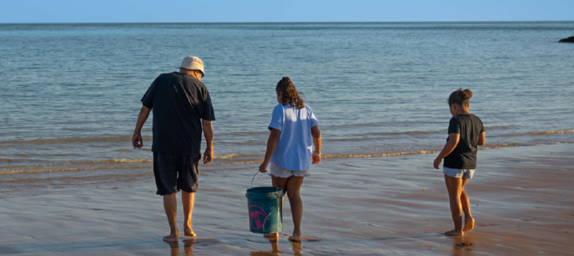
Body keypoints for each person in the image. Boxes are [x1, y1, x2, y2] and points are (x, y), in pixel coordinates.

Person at [132, 56, 215, 242]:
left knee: (168, 189)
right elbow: (207, 123)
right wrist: (210, 147)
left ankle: (173, 232)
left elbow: (145, 108)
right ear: (195, 71)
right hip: (190, 147)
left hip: (164, 145)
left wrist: (137, 131)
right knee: (189, 187)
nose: (200, 78)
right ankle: (188, 225)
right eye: (201, 74)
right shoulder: (201, 88)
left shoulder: (161, 79)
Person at [259, 77, 322, 243]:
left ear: (280, 93)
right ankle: (297, 232)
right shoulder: (307, 109)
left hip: (282, 159)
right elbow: (316, 133)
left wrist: (265, 161)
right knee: (295, 194)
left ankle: (273, 231)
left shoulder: (280, 109)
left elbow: (274, 136)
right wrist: (318, 152)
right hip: (301, 160)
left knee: (277, 195)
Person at [433, 88, 485, 237]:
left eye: (450, 108)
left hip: (454, 163)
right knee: (460, 191)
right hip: (470, 163)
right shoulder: (477, 120)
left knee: (454, 196)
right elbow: (481, 141)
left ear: (454, 106)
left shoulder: (455, 120)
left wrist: (439, 157)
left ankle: (457, 230)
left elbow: (453, 142)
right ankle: (468, 216)